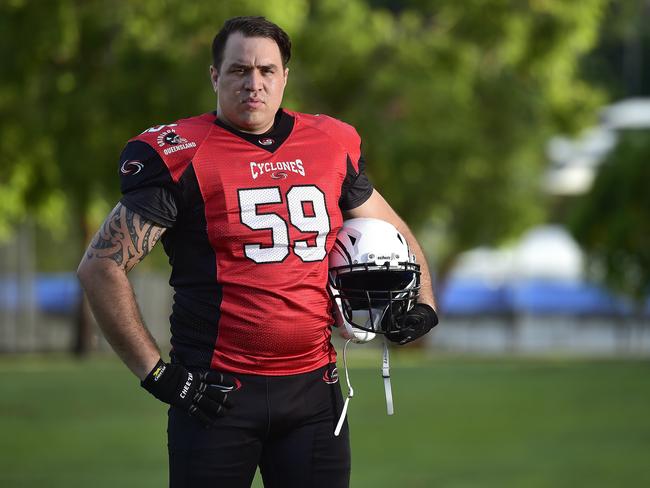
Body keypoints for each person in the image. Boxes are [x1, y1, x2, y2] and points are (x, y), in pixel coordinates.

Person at [77, 15, 438, 488]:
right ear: (214, 76)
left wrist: (425, 305)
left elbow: (392, 228)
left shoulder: (329, 143)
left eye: (267, 71)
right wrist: (158, 375)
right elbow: (101, 265)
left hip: (315, 391)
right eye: (239, 71)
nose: (254, 84)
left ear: (285, 76)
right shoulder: (181, 153)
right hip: (216, 395)